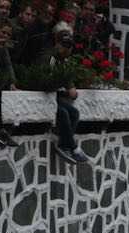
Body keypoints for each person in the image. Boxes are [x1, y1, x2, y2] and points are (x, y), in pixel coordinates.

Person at [43, 32, 87, 164]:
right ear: (57, 44)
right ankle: (73, 147)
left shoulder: (65, 62)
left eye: (69, 46)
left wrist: (71, 89)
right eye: (64, 45)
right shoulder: (50, 59)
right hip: (46, 97)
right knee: (63, 113)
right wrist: (66, 89)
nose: (66, 49)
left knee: (74, 113)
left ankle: (63, 145)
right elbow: (47, 81)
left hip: (57, 97)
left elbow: (68, 81)